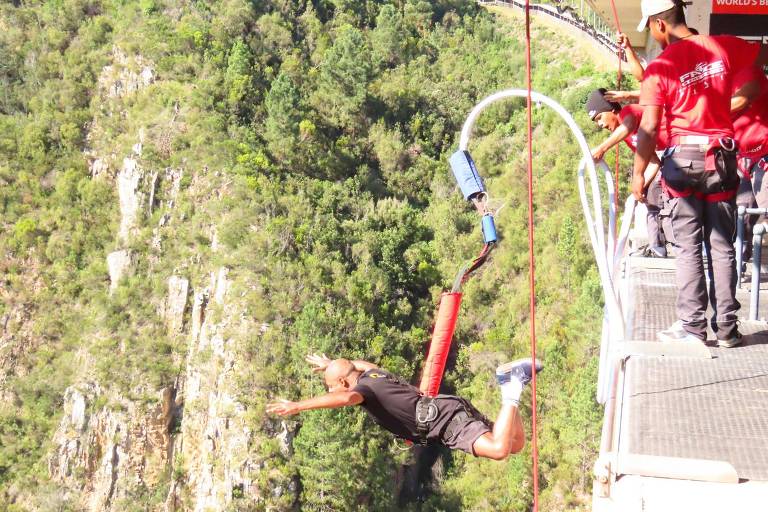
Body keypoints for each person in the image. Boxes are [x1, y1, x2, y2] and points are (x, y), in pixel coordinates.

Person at [632, 0, 768, 347]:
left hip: (684, 160)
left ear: (659, 25)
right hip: (722, 156)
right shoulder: (723, 45)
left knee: (689, 245)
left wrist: (638, 173)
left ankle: (693, 327)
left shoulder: (661, 67)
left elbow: (648, 128)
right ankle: (727, 328)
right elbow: (761, 53)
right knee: (722, 244)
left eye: (650, 28)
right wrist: (731, 97)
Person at [266, 353, 542, 460]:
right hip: (449, 410)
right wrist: (331, 365)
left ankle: (511, 386)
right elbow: (357, 367)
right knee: (514, 444)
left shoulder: (362, 391)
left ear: (342, 382)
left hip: (445, 423)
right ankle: (514, 384)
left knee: (499, 449)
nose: (330, 391)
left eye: (331, 385)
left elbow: (345, 398)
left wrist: (298, 406)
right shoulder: (375, 373)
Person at [586, 88, 668, 257]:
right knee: (649, 195)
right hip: (672, 154)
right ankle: (658, 246)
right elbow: (654, 162)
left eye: (600, 118)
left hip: (684, 148)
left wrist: (603, 148)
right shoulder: (631, 138)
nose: (600, 125)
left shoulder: (629, 112)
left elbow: (628, 125)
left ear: (612, 110)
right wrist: (638, 190)